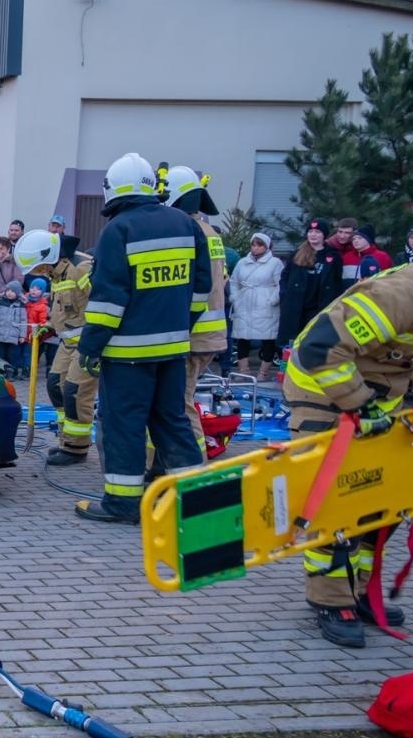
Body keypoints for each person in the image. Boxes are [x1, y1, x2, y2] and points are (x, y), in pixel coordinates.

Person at [281, 225, 413, 646]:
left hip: (376, 394)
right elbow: (321, 348)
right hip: (321, 386)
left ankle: (361, 592)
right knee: (337, 499)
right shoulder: (408, 292)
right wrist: (358, 403)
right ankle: (330, 598)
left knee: (380, 504)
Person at [75, 152, 209, 524]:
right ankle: (195, 503)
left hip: (127, 354)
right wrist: (181, 325)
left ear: (112, 189)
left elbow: (108, 301)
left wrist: (90, 347)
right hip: (173, 350)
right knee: (172, 422)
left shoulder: (118, 230)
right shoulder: (186, 224)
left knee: (125, 426)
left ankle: (123, 504)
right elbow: (202, 289)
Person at [162, 166, 227, 460]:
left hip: (193, 335)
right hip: (208, 333)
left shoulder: (187, 232)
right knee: (177, 401)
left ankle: (192, 468)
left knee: (179, 404)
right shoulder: (209, 231)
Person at [16, 228, 95, 466]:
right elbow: (62, 309)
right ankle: (65, 439)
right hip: (67, 342)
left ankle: (76, 448)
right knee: (54, 386)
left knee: (74, 391)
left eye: (40, 268)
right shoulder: (58, 274)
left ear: (49, 258)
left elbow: (102, 304)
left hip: (88, 342)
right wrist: (49, 326)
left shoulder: (82, 268)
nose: (40, 274)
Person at [278, 219, 344, 344]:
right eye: (310, 231)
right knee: (292, 340)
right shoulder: (297, 254)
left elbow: (336, 282)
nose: (313, 234)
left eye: (317, 232)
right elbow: (285, 276)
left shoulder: (332, 256)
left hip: (319, 305)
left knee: (314, 339)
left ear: (324, 235)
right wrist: (284, 294)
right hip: (296, 305)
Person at [228, 233, 284, 381]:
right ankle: (243, 370)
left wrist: (273, 299)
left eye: (259, 245)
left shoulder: (275, 263)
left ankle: (263, 372)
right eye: (253, 244)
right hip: (245, 301)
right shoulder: (242, 262)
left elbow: (281, 283)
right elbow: (233, 281)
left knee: (267, 338)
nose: (255, 248)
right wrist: (235, 297)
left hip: (264, 302)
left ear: (266, 247)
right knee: (242, 337)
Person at [0, 281, 28, 376]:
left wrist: (22, 335)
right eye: (8, 290)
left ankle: (11, 372)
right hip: (0, 333)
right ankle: (0, 372)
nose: (9, 293)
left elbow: (23, 321)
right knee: (0, 355)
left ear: (18, 293)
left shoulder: (21, 305)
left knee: (12, 355)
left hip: (13, 335)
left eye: (12, 291)